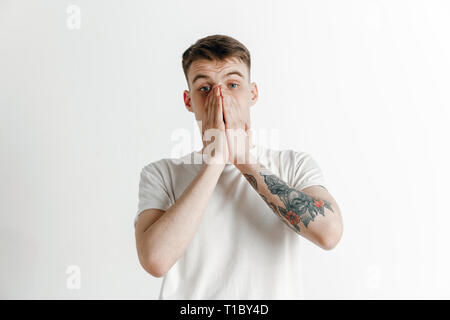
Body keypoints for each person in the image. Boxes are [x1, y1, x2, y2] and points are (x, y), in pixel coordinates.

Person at [134, 34, 343, 299]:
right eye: (205, 89)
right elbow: (156, 260)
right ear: (189, 101)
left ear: (252, 93)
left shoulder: (293, 164)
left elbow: (330, 234)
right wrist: (215, 161)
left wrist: (243, 159)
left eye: (232, 84)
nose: (219, 98)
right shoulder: (161, 174)